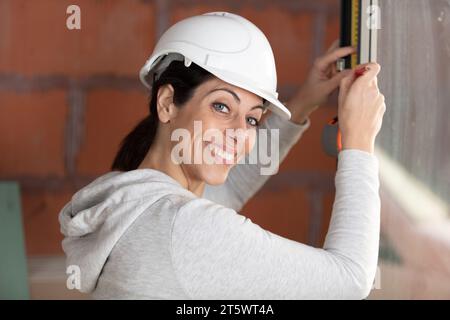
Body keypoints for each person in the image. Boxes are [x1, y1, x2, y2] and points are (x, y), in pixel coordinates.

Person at [59, 12, 385, 299]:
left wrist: (302, 105)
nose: (240, 134)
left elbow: (228, 189)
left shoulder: (129, 196)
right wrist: (358, 143)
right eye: (221, 106)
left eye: (253, 118)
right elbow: (352, 280)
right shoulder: (186, 227)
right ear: (168, 103)